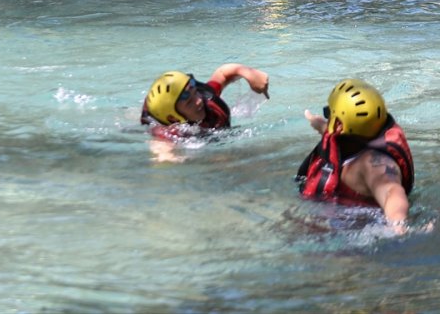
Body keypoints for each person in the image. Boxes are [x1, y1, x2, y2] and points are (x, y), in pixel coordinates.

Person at [296, 79, 415, 229]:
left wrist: (399, 225)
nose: (327, 117)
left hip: (359, 235)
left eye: (329, 113)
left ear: (338, 125)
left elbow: (392, 191)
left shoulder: (372, 164)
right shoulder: (354, 138)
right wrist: (318, 124)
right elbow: (334, 134)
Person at [141, 65, 270, 160]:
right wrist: (166, 156)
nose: (199, 101)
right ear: (174, 119)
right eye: (189, 102)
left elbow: (223, 74)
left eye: (195, 93)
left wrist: (248, 73)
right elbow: (161, 148)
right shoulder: (169, 132)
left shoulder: (207, 99)